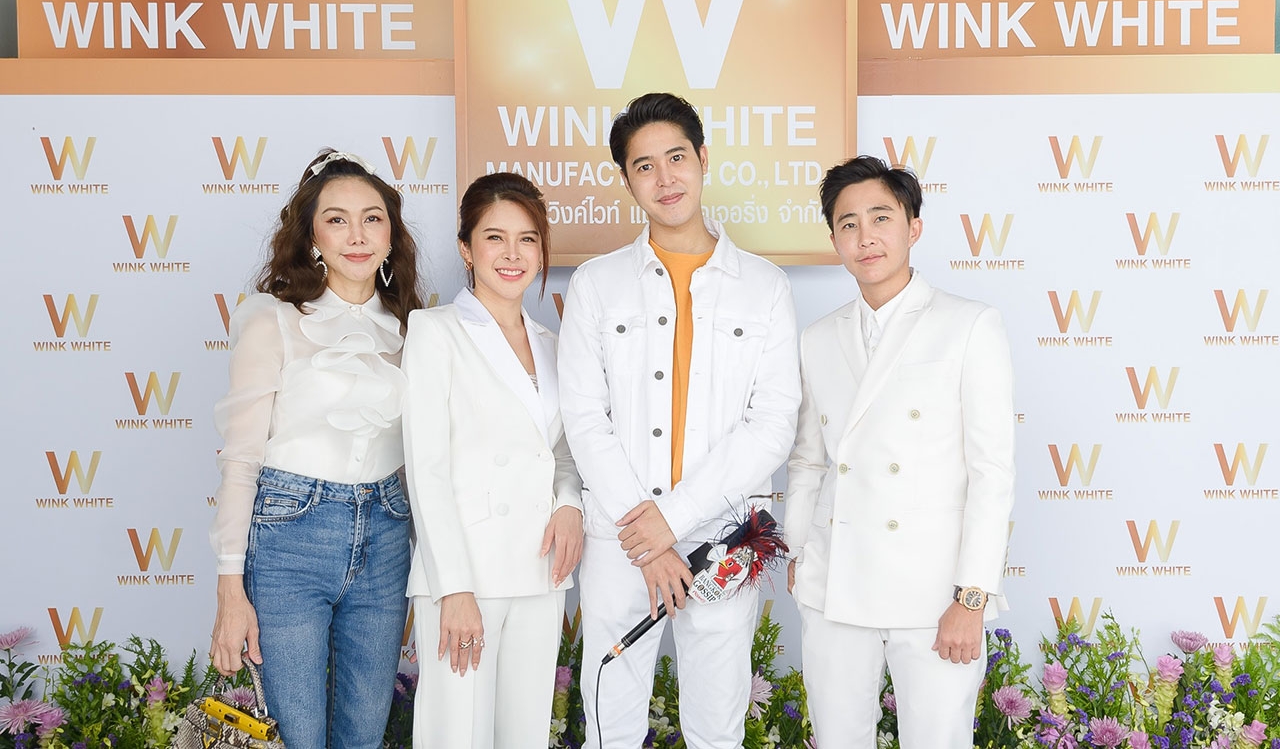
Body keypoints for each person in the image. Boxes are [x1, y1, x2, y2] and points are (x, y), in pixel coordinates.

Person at [557, 93, 801, 749]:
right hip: (621, 541)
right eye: (644, 166)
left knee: (717, 729)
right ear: (626, 179)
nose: (664, 179)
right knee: (610, 722)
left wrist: (674, 519)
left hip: (722, 540)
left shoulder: (764, 286)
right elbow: (584, 416)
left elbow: (773, 423)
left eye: (676, 158)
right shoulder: (597, 284)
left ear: (703, 159)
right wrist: (649, 534)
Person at [785, 155, 1016, 749]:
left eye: (880, 218)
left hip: (935, 592)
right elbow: (809, 459)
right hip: (835, 582)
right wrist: (798, 549)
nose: (866, 237)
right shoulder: (818, 337)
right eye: (848, 223)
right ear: (834, 239)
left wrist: (972, 596)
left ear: (914, 227)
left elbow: (991, 473)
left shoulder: (969, 324)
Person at [209, 149, 424, 747]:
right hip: (289, 539)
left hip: (387, 536)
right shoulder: (272, 321)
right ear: (311, 237)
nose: (357, 235)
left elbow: (426, 459)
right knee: (294, 735)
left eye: (372, 219)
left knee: (365, 734)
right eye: (336, 219)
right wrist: (230, 588)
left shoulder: (415, 329)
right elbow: (241, 461)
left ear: (391, 235)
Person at [401, 172, 584, 749]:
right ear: (466, 248)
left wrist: (570, 504)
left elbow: (561, 451)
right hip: (466, 573)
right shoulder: (434, 332)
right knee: (456, 734)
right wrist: (453, 589)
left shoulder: (554, 344)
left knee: (524, 734)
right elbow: (426, 469)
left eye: (527, 239)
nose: (512, 254)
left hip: (541, 568)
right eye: (494, 238)